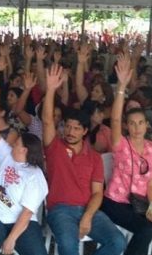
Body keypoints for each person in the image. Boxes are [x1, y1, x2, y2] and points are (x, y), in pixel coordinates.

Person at [42, 65, 126, 255]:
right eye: (68, 127)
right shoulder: (55, 147)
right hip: (60, 210)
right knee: (69, 247)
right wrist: (51, 89)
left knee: (117, 242)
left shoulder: (94, 157)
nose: (70, 132)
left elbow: (97, 193)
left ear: (85, 131)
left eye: (77, 128)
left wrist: (87, 216)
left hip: (89, 210)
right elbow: (47, 120)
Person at [100, 54, 152, 255]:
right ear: (127, 126)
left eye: (140, 123)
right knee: (145, 231)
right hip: (117, 202)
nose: (136, 127)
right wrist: (121, 87)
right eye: (132, 123)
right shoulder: (121, 144)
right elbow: (115, 120)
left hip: (142, 203)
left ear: (146, 125)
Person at [0, 87, 48, 255]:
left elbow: (27, 212)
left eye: (17, 144)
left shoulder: (35, 176)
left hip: (21, 223)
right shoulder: (8, 156)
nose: (13, 145)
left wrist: (11, 239)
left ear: (25, 151)